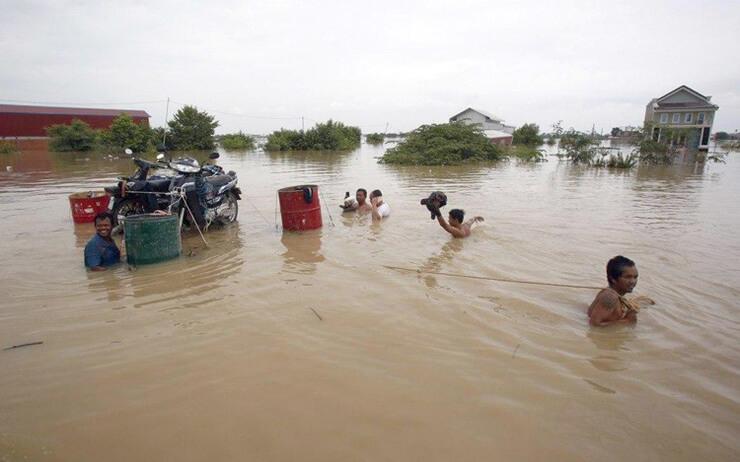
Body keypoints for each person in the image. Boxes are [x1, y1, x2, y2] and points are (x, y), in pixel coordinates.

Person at [588, 256, 650, 326]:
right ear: (613, 279)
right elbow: (594, 325)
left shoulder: (611, 293)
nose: (633, 281)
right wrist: (627, 321)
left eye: (635, 277)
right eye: (628, 277)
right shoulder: (610, 297)